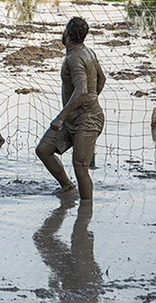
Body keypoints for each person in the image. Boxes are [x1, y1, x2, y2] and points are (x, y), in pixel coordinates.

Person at [36, 17, 106, 200]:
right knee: (44, 149)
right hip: (73, 118)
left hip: (87, 120)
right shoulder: (86, 52)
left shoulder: (75, 58)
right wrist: (85, 103)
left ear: (67, 33)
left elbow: (82, 90)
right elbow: (102, 79)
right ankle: (67, 187)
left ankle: (84, 215)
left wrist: (61, 117)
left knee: (81, 167)